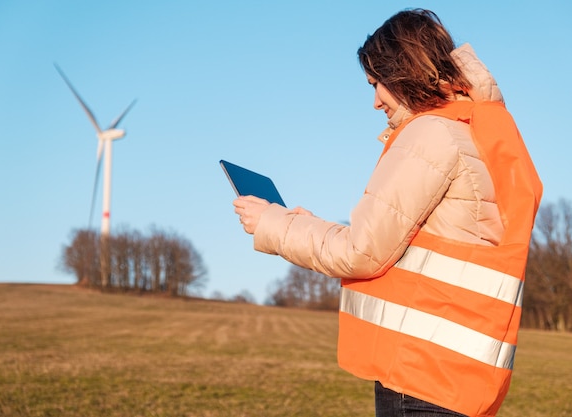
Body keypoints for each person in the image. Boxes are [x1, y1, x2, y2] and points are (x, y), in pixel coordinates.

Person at [232, 8, 542, 417]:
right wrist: (304, 223)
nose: (376, 101)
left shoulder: (431, 134)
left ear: (403, 73)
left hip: (419, 375)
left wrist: (273, 224)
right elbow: (408, 247)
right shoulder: (473, 129)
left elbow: (362, 252)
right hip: (455, 377)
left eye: (377, 83)